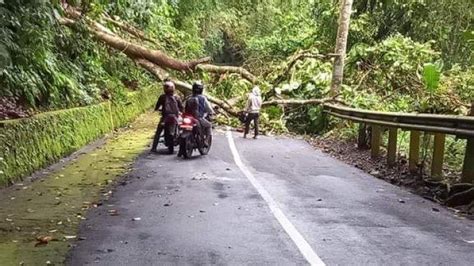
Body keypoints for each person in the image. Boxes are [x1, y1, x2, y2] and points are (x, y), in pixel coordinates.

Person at [150, 80, 184, 153]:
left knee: (158, 132)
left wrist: (156, 110)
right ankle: (182, 147)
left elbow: (157, 106)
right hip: (175, 117)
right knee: (180, 128)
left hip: (165, 118)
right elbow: (181, 107)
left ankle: (154, 148)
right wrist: (181, 112)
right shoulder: (177, 97)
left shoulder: (162, 97)